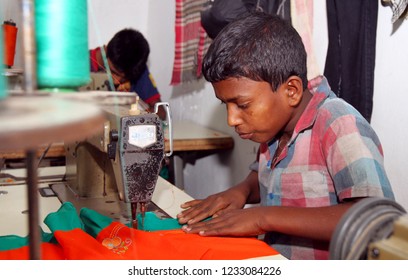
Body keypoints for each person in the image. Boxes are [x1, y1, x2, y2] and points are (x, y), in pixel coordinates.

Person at [176, 12, 395, 260]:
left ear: (291, 91)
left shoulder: (339, 124)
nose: (231, 119)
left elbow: (376, 220)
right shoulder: (272, 127)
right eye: (225, 105)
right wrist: (242, 192)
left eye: (242, 105)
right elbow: (269, 175)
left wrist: (262, 218)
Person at [89, 28, 165, 120]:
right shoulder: (77, 66)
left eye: (125, 79)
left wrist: (137, 114)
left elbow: (161, 111)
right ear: (106, 51)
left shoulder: (135, 67)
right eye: (113, 72)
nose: (117, 82)